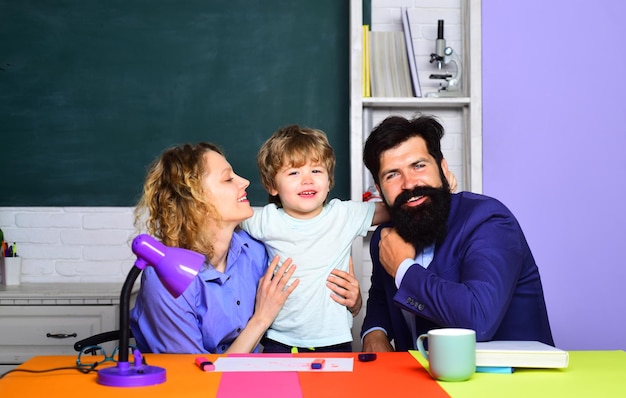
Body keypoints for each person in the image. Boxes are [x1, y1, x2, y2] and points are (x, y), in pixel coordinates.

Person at [360, 115, 554, 352]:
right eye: (392, 175)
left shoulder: (489, 221)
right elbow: (381, 295)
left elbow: (478, 320)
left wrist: (403, 269)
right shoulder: (385, 237)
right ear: (380, 189)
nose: (409, 183)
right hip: (421, 382)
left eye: (418, 166)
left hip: (508, 384)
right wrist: (374, 333)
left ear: (442, 168)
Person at [129, 142, 300, 354]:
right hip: (194, 385)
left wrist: (350, 301)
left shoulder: (254, 250)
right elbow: (196, 380)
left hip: (252, 379)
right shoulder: (165, 279)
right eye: (228, 179)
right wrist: (261, 320)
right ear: (195, 199)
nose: (245, 182)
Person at [240, 125, 391, 353]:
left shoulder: (344, 215)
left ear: (329, 181)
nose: (307, 180)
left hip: (334, 340)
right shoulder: (265, 219)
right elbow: (220, 214)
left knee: (334, 391)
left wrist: (443, 193)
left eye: (317, 171)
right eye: (294, 173)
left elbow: (399, 209)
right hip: (279, 341)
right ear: (272, 186)